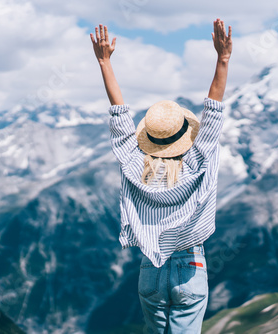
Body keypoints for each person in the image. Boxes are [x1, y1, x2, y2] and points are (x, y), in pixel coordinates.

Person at [90, 18, 232, 333]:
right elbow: (213, 112)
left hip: (150, 269)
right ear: (186, 135)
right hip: (190, 265)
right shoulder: (198, 161)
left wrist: (104, 62)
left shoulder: (132, 162)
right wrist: (222, 58)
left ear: (149, 138)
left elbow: (119, 115)